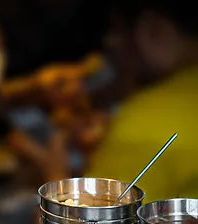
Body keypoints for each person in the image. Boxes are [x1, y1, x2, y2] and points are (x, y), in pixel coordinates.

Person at [85, 0, 198, 202]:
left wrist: (51, 167)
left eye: (117, 30)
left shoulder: (143, 124)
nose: (111, 43)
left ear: (154, 31)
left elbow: (89, 221)